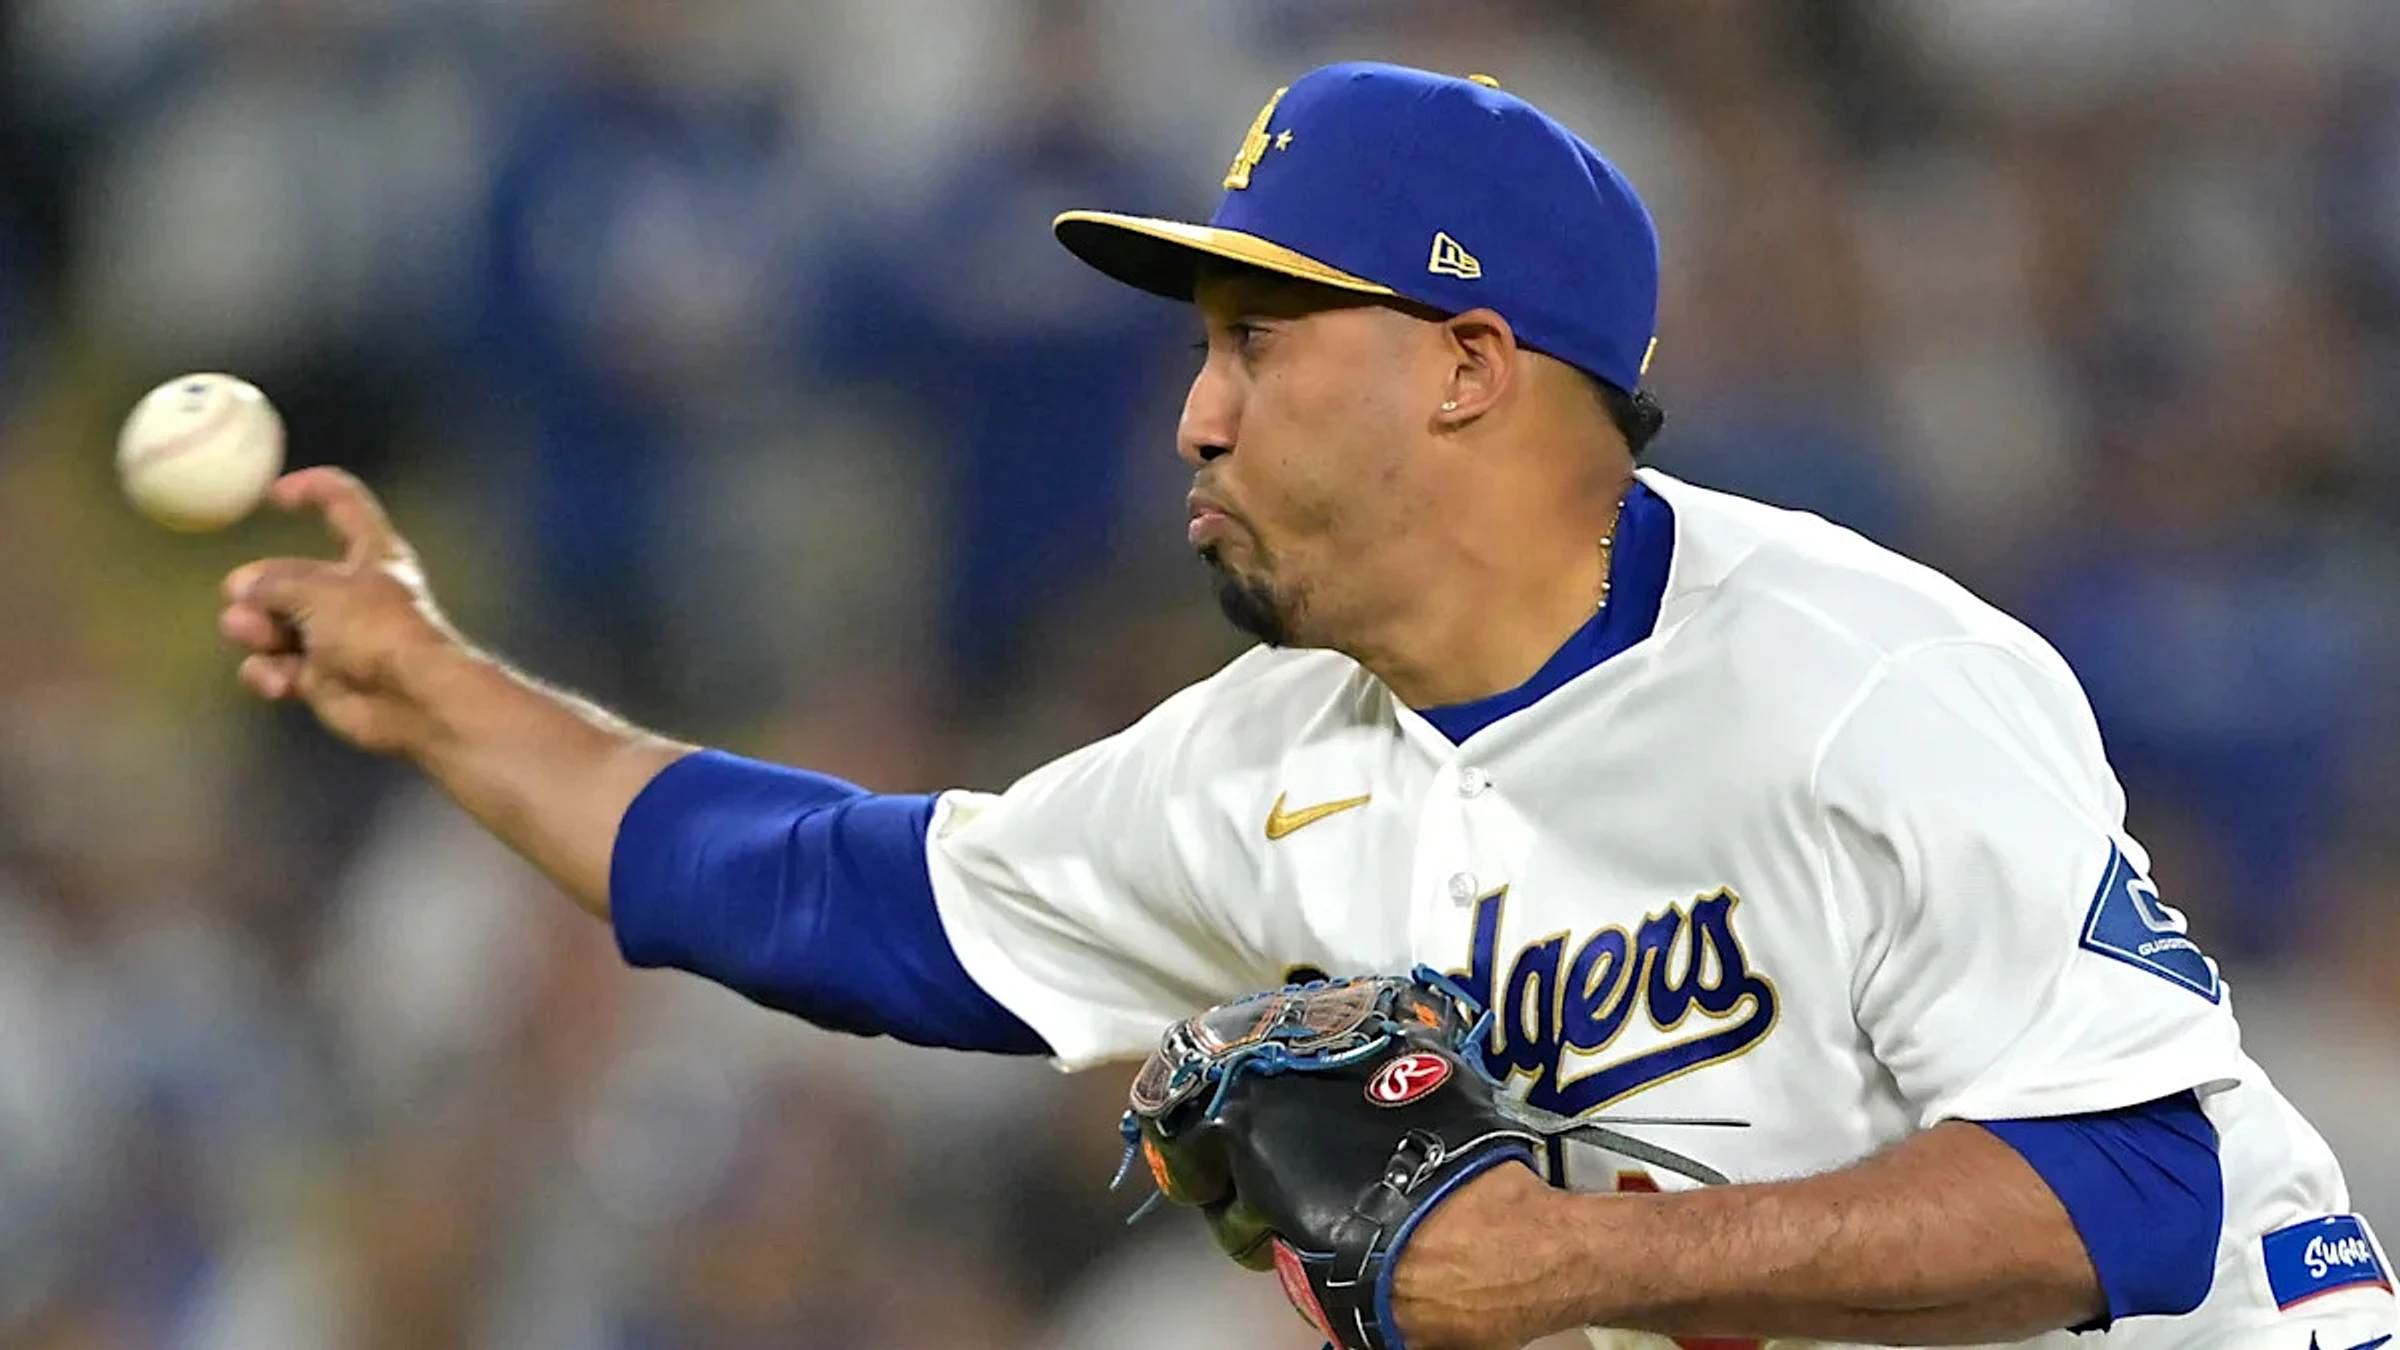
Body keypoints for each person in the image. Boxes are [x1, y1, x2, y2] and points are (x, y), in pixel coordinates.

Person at [215, 62, 2394, 1350]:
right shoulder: (1270, 763)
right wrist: (441, 696)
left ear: (1469, 365)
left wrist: (1546, 1266)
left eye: (1259, 340)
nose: (1196, 413)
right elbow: (829, 895)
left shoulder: (1866, 680)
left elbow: (2138, 1196)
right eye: (1202, 349)